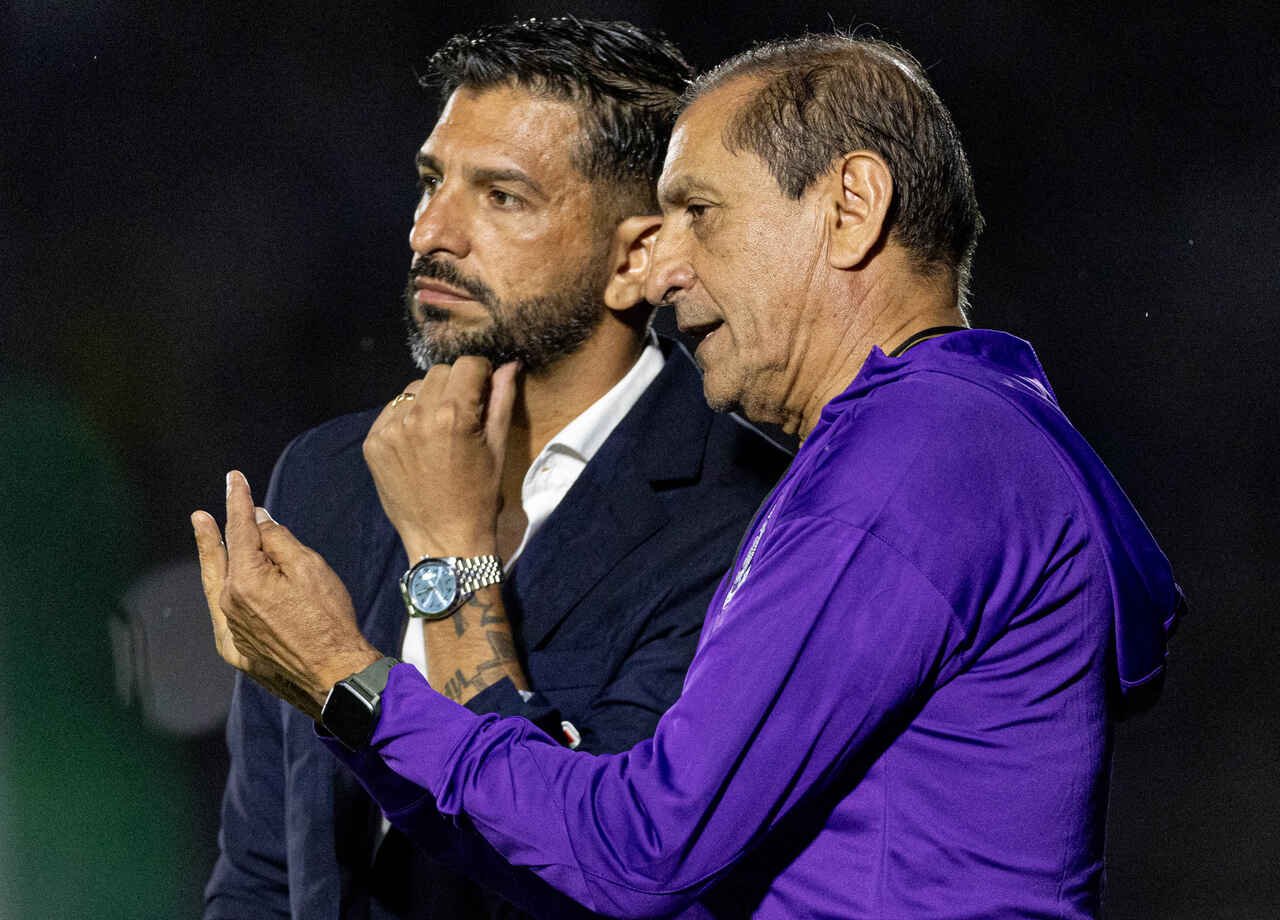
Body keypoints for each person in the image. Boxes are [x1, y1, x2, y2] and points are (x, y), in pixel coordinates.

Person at [196, 34, 1185, 919]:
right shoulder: (938, 441)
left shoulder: (913, 457)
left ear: (849, 207)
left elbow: (636, 852)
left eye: (698, 213)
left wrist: (345, 676)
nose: (666, 269)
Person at [201, 18, 790, 920]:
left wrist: (448, 553)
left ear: (635, 259)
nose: (430, 232)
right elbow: (263, 876)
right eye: (432, 181)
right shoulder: (328, 473)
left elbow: (599, 876)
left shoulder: (748, 520)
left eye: (502, 196)